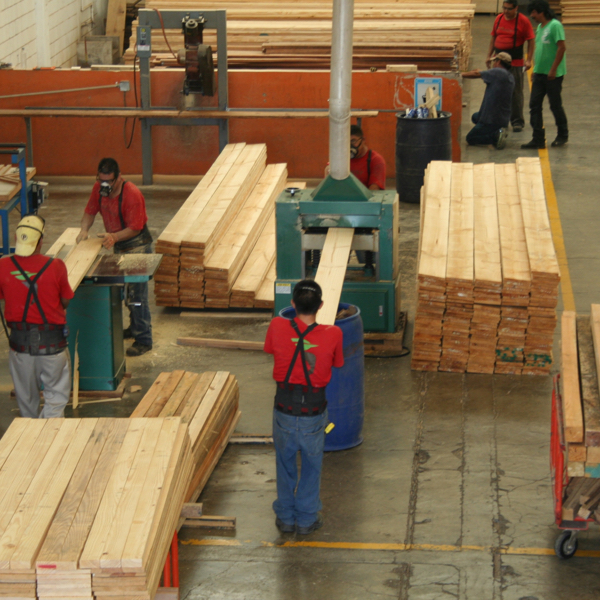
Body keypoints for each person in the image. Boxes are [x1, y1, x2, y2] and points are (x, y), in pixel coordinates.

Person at [264, 280, 344, 535]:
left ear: (292, 304)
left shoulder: (277, 325)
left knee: (284, 463)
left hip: (284, 411)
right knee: (312, 466)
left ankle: (286, 518)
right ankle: (307, 520)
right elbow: (338, 363)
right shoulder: (333, 334)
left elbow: (270, 349)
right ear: (320, 306)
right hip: (313, 413)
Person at [77, 158, 153, 356]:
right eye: (101, 181)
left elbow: (135, 228)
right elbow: (90, 211)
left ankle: (143, 338)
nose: (105, 186)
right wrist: (84, 230)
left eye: (109, 182)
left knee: (137, 295)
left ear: (119, 177)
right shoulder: (99, 188)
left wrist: (114, 237)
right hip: (118, 243)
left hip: (137, 244)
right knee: (128, 292)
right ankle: (134, 327)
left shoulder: (132, 194)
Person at [0, 215, 74, 418]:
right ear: (40, 241)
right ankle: (50, 439)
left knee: (26, 400)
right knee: (56, 398)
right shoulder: (56, 265)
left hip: (20, 346)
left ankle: (29, 437)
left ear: (17, 238)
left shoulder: (3, 266)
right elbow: (66, 300)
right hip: (52, 345)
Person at [521, 0, 568, 149]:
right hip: (540, 74)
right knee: (534, 105)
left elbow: (561, 48)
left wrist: (553, 69)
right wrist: (535, 71)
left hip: (553, 75)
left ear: (541, 12)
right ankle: (538, 138)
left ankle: (562, 135)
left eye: (534, 12)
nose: (532, 16)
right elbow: (540, 51)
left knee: (555, 105)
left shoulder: (555, 25)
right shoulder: (540, 27)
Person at [486, 0, 535, 132]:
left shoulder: (523, 21)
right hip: (499, 63)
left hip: (515, 63)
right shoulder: (499, 18)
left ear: (516, 8)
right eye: (504, 8)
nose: (506, 11)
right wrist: (489, 56)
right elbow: (493, 38)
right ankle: (500, 120)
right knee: (498, 92)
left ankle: (517, 121)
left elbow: (531, 40)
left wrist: (529, 59)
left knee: (515, 93)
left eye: (509, 9)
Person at [463, 52, 515, 149]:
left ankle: (495, 135)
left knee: (470, 138)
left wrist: (459, 75)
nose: (493, 64)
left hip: (491, 119)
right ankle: (498, 129)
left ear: (498, 61)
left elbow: (476, 73)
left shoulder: (498, 72)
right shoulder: (508, 76)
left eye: (494, 61)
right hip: (501, 117)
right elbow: (480, 71)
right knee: (475, 117)